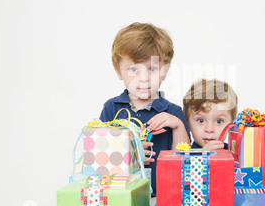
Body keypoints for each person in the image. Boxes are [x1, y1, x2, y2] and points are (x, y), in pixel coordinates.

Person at [99, 22, 190, 196]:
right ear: (118, 71)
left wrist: (177, 125)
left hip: (164, 198)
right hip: (121, 196)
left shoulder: (173, 113)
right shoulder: (111, 108)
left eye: (152, 69)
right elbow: (101, 159)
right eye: (134, 69)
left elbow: (185, 161)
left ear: (164, 72)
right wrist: (129, 153)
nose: (143, 79)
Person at [183, 79, 238, 149]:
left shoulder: (236, 154)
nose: (209, 129)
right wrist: (204, 155)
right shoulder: (185, 156)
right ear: (187, 123)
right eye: (201, 121)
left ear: (232, 124)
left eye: (219, 121)